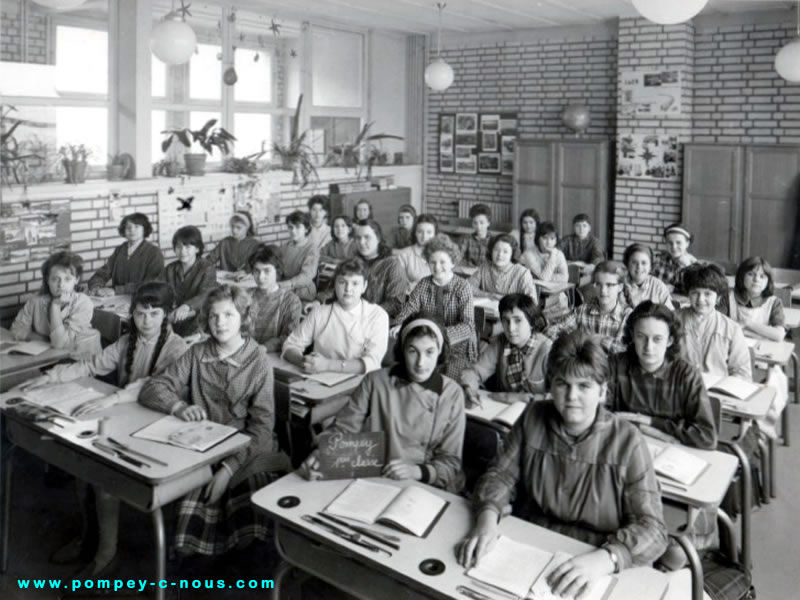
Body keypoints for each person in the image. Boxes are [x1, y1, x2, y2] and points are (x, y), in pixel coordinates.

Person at [458, 330, 668, 598]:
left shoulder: (628, 442)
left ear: (603, 391)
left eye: (584, 386)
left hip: (595, 556)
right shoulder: (533, 417)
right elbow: (500, 476)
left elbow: (654, 529)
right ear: (550, 385)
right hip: (528, 545)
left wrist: (607, 559)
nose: (571, 396)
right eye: (562, 384)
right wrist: (487, 517)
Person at [18, 282, 188, 576]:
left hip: (159, 430)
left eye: (154, 314)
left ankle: (106, 554)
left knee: (103, 478)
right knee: (85, 469)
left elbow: (150, 386)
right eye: (139, 313)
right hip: (126, 420)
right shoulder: (127, 342)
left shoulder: (178, 348)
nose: (145, 321)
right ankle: (89, 537)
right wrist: (50, 378)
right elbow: (90, 365)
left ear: (168, 315)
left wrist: (112, 399)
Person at [139, 285, 283, 557]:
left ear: (244, 318)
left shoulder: (259, 361)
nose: (220, 322)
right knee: (191, 511)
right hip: (202, 449)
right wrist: (178, 405)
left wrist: (229, 468)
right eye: (214, 316)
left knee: (249, 514)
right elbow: (153, 387)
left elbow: (262, 429)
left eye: (229, 315)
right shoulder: (197, 353)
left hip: (247, 451)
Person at [299, 315, 465, 493]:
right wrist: (322, 453)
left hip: (423, 487)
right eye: (413, 351)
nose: (420, 363)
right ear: (402, 350)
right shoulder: (375, 381)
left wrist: (418, 471)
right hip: (373, 477)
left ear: (440, 351)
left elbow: (450, 462)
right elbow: (344, 429)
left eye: (429, 352)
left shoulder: (452, 394)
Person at [609, 301, 717, 449]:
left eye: (657, 339)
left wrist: (650, 422)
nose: (649, 347)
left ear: (670, 341)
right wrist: (651, 431)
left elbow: (706, 437)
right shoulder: (616, 364)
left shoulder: (686, 375)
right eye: (641, 336)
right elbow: (600, 417)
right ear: (632, 336)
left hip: (672, 456)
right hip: (624, 447)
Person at [283, 257, 389, 377]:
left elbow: (372, 362)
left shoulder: (377, 315)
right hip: (319, 378)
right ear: (334, 284)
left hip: (357, 381)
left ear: (364, 286)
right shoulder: (320, 312)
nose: (348, 289)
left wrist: (327, 365)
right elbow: (290, 345)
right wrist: (306, 362)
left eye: (355, 283)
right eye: (342, 282)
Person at [393, 236, 476, 380]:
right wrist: (400, 323)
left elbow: (468, 326)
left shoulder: (463, 286)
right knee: (412, 373)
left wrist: (439, 336)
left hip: (456, 349)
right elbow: (409, 308)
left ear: (453, 262)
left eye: (442, 262)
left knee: (444, 382)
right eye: (433, 262)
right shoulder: (423, 284)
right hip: (426, 346)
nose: (437, 267)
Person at [461, 293, 552, 406]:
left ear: (531, 323)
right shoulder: (500, 343)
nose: (511, 328)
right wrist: (468, 388)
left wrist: (523, 398)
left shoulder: (548, 350)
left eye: (517, 320)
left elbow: (559, 395)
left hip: (537, 411)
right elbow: (474, 371)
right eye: (506, 320)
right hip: (503, 409)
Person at [315, 219, 408, 320]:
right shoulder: (352, 262)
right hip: (348, 317)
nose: (362, 242)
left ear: (379, 238)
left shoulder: (392, 265)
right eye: (358, 238)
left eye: (367, 237)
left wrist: (365, 315)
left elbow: (395, 303)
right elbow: (333, 288)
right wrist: (318, 301)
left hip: (377, 321)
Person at [11, 251, 100, 355]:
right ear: (47, 280)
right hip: (49, 358)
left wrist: (55, 305)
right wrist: (48, 339)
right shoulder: (36, 301)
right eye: (55, 279)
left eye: (67, 279)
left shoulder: (83, 303)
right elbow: (16, 330)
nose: (61, 285)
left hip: (81, 361)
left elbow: (59, 343)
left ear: (76, 280)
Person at [676, 263, 751, 379]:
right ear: (688, 294)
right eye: (695, 293)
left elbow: (742, 373)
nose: (701, 299)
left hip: (716, 393)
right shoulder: (671, 320)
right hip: (677, 389)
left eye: (707, 294)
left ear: (718, 298)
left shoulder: (732, 329)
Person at [546, 261, 632, 354]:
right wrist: (585, 339)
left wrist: (595, 340)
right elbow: (552, 332)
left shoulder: (627, 315)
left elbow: (625, 349)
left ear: (620, 287)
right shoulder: (582, 310)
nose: (603, 290)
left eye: (609, 285)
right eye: (598, 284)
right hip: (584, 366)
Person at [88, 212, 164, 296]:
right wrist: (96, 287)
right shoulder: (120, 250)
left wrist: (117, 290)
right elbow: (103, 273)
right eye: (128, 227)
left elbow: (151, 284)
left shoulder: (154, 252)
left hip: (142, 300)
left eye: (137, 227)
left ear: (144, 229)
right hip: (117, 300)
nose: (132, 230)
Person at [164, 225, 217, 336]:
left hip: (199, 321)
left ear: (197, 248)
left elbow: (205, 295)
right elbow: (158, 288)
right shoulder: (170, 268)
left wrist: (187, 306)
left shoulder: (207, 268)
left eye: (187, 247)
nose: (183, 251)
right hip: (174, 318)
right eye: (178, 247)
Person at [247, 245, 302, 353]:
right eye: (256, 271)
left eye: (267, 271)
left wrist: (265, 348)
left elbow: (289, 336)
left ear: (278, 271)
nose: (261, 277)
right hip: (245, 353)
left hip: (272, 356)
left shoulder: (291, 301)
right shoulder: (245, 296)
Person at [728, 256, 786, 342]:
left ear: (768, 281)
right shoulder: (728, 297)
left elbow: (779, 335)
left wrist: (748, 323)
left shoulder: (774, 302)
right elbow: (719, 327)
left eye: (762, 276)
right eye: (750, 274)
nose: (756, 280)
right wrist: (757, 334)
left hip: (763, 349)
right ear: (741, 276)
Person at [520, 222, 570, 318]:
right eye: (544, 238)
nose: (548, 242)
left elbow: (565, 278)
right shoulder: (529, 253)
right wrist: (552, 258)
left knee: (561, 303)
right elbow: (544, 277)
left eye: (552, 239)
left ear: (556, 240)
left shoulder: (558, 254)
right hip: (533, 294)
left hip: (556, 294)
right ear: (537, 238)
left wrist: (541, 277)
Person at [467, 233, 538, 302]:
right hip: (487, 311)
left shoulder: (522, 273)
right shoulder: (485, 267)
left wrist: (506, 300)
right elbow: (467, 287)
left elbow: (532, 301)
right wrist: (488, 295)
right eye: (496, 250)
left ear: (512, 254)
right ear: (491, 251)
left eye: (505, 252)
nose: (500, 255)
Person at [278, 210, 319, 302]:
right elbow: (277, 268)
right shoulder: (284, 247)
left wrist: (288, 283)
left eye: (298, 227)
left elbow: (307, 275)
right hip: (285, 287)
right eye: (290, 227)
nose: (293, 231)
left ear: (306, 229)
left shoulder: (311, 249)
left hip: (303, 290)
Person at [622, 243, 674, 310]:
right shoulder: (620, 285)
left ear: (650, 266)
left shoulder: (658, 286)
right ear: (627, 264)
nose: (639, 267)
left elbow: (669, 313)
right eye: (634, 262)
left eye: (644, 263)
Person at [394, 214, 438, 294]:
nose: (424, 236)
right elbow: (398, 285)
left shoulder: (441, 254)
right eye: (420, 232)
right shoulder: (405, 254)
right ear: (415, 233)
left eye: (429, 232)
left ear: (435, 234)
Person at [651, 223, 698, 292]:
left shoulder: (693, 264)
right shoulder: (657, 260)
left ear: (687, 243)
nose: (674, 247)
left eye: (678, 243)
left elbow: (695, 289)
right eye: (670, 243)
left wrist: (688, 267)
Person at [459, 203, 492, 267]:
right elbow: (458, 258)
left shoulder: (494, 241)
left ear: (488, 223)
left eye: (482, 223)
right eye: (475, 223)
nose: (478, 227)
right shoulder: (466, 239)